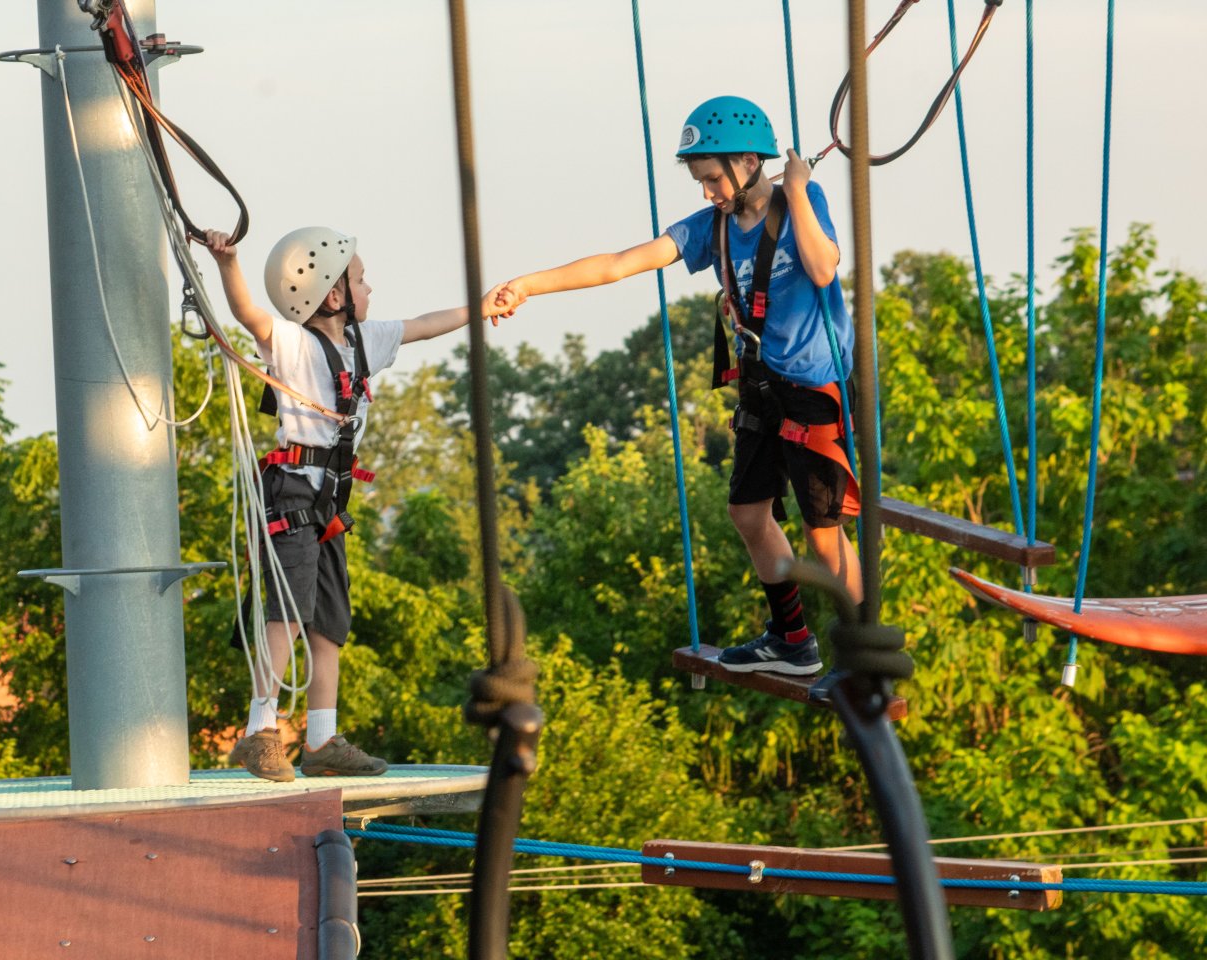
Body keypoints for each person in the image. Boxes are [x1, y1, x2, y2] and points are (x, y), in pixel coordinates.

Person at [493, 96, 862, 695]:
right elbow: (620, 263)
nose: (709, 192)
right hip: (763, 386)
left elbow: (823, 270)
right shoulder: (711, 228)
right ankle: (792, 640)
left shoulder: (804, 201)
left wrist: (796, 190)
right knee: (748, 512)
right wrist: (530, 285)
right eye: (701, 181)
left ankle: (859, 648)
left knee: (823, 531)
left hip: (815, 389)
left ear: (749, 162)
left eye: (714, 178)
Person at [204, 226, 512, 780]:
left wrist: (481, 305)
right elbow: (248, 312)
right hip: (293, 488)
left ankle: (321, 740)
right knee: (288, 612)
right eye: (362, 280)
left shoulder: (363, 344)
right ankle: (259, 730)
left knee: (328, 620)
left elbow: (422, 326)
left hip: (331, 497)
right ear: (334, 296)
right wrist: (229, 263)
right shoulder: (293, 345)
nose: (370, 288)